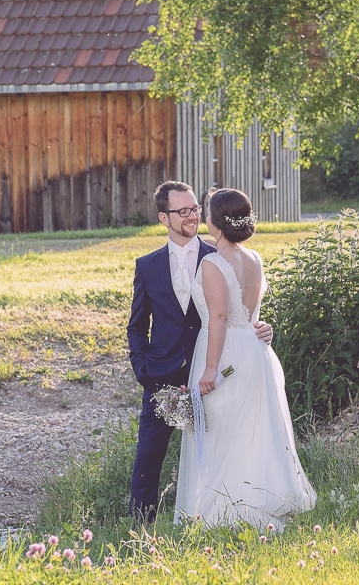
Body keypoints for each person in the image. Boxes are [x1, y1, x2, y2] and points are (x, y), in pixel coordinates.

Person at [127, 181, 272, 524]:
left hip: (213, 372)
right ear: (164, 217)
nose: (192, 216)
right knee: (148, 454)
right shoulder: (147, 266)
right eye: (183, 211)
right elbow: (136, 325)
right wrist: (142, 368)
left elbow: (237, 311)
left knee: (218, 450)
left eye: (195, 209)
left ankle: (215, 518)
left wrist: (262, 327)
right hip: (161, 373)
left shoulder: (219, 255)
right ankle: (137, 527)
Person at [174, 188, 316, 530]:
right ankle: (252, 498)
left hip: (225, 353)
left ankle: (226, 508)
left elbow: (220, 318)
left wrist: (210, 369)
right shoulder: (254, 258)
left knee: (222, 429)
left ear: (217, 221)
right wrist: (260, 327)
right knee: (248, 430)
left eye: (206, 211)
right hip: (254, 351)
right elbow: (251, 314)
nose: (203, 216)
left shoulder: (212, 262)